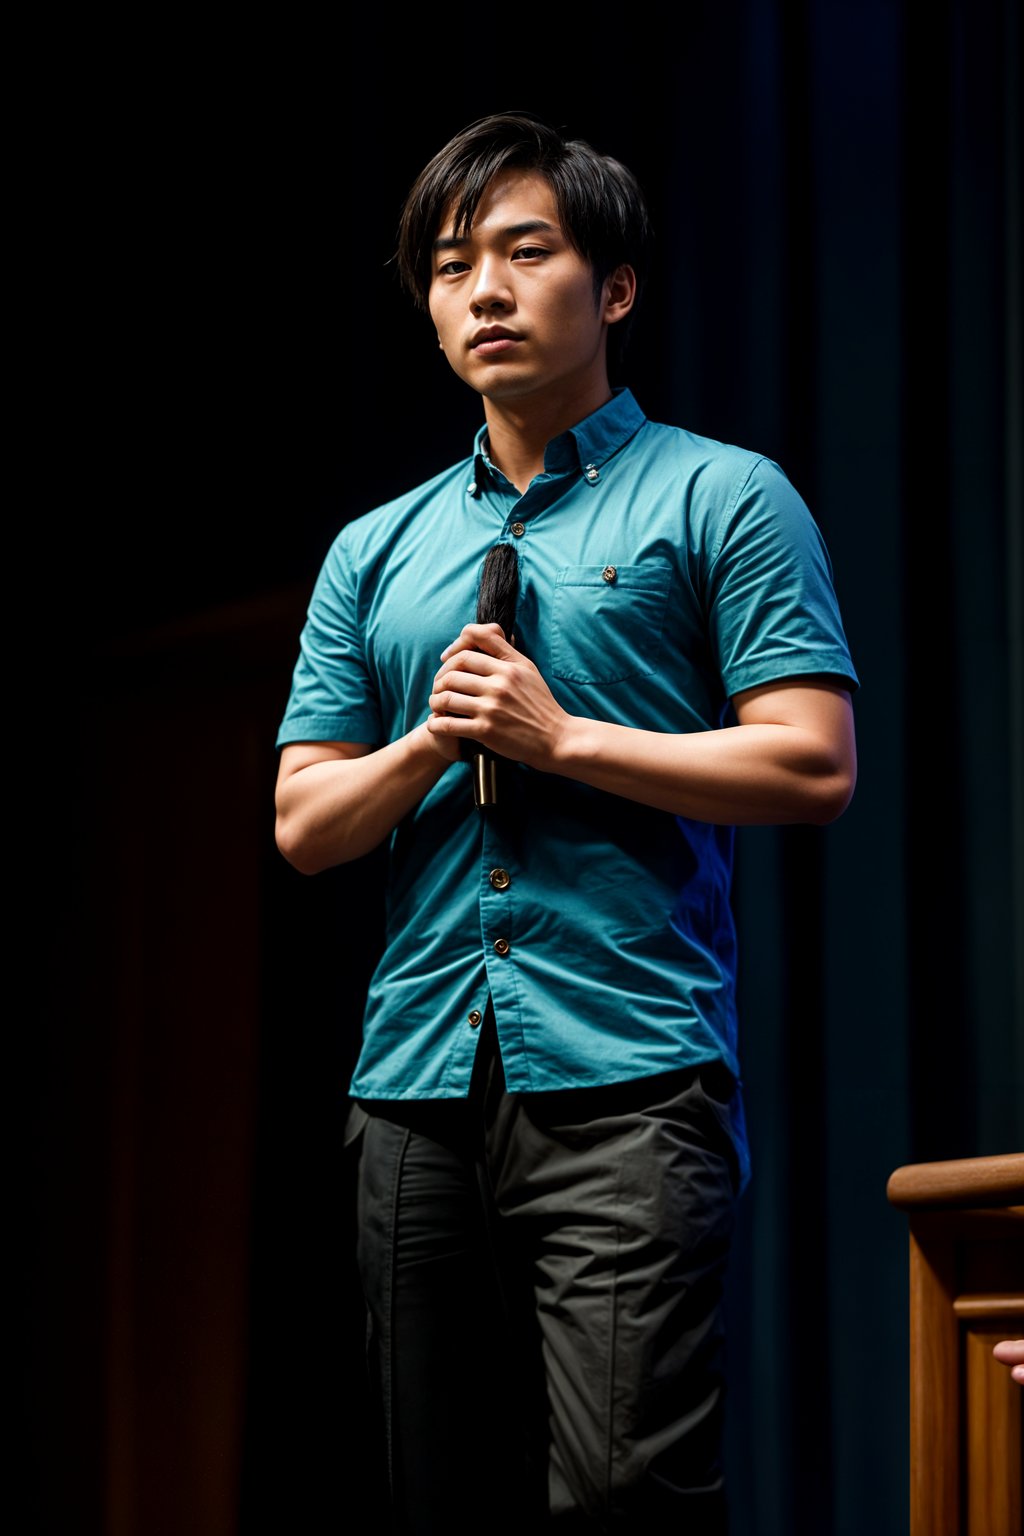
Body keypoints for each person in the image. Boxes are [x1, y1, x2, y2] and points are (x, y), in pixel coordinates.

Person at [274, 111, 859, 1533]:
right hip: (410, 1085)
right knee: (434, 1492)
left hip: (629, 1079)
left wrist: (564, 739)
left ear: (614, 288)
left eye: (525, 251)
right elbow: (306, 824)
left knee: (622, 1495)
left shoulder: (724, 495)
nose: (482, 289)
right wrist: (432, 736)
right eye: (449, 263)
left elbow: (812, 766)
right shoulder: (378, 546)